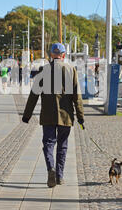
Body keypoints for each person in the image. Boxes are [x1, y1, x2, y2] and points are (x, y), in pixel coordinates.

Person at [22, 43, 84, 188]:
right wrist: (81, 117)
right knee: (62, 146)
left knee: (48, 144)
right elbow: (77, 97)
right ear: (63, 55)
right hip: (66, 116)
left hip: (48, 115)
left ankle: (51, 168)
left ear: (51, 55)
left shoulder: (43, 71)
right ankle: (59, 176)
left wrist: (27, 115)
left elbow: (33, 95)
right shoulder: (71, 70)